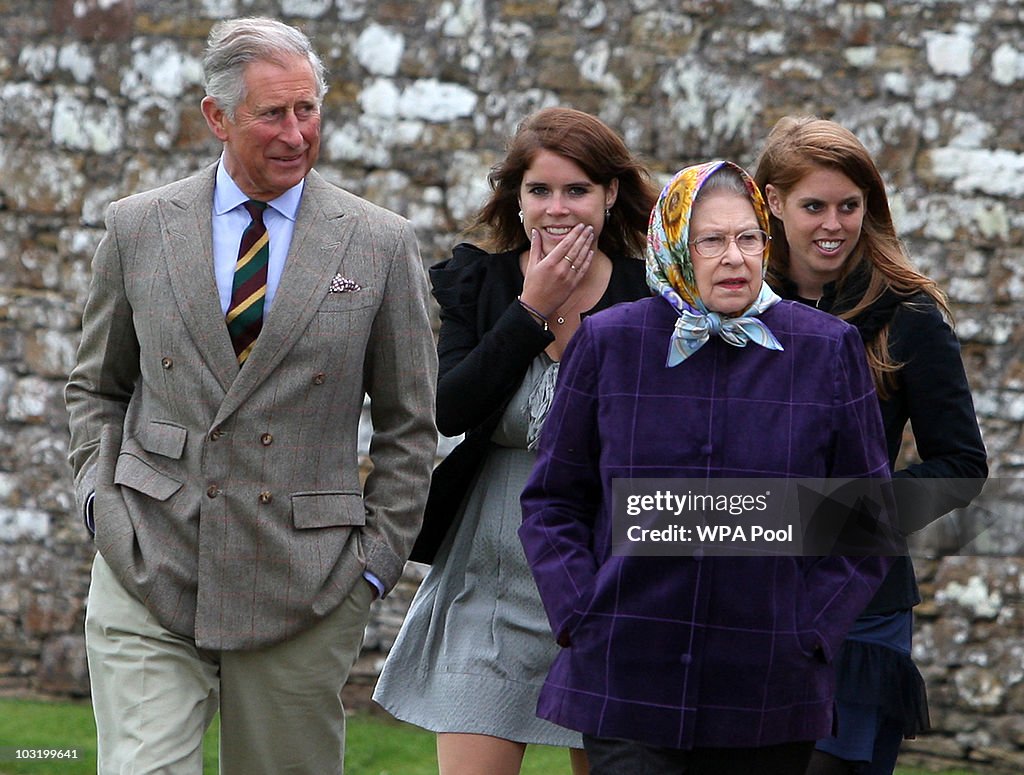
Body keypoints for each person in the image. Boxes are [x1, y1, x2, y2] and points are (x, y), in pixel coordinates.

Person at [64, 17, 437, 775]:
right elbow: (97, 387)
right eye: (273, 113)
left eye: (308, 110)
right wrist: (102, 507)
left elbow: (410, 425)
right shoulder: (137, 229)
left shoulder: (380, 243)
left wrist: (374, 564)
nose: (297, 133)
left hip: (305, 582)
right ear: (217, 117)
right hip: (149, 557)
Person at [519, 160, 897, 775]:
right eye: (712, 241)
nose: (734, 257)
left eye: (748, 238)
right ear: (672, 245)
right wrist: (581, 614)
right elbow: (553, 501)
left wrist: (811, 632)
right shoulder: (610, 343)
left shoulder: (826, 348)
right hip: (627, 670)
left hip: (771, 681)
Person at [372, 107, 658, 775]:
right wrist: (530, 309)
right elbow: (448, 407)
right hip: (491, 571)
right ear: (516, 196)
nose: (556, 208)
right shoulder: (480, 278)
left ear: (611, 193)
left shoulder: (648, 295)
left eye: (577, 190)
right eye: (539, 190)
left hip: (607, 572)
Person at [754, 116, 988, 775]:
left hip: (859, 606)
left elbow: (961, 465)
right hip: (744, 595)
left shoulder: (909, 314)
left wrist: (841, 512)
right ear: (772, 202)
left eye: (849, 206)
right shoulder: (731, 305)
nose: (834, 223)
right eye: (814, 206)